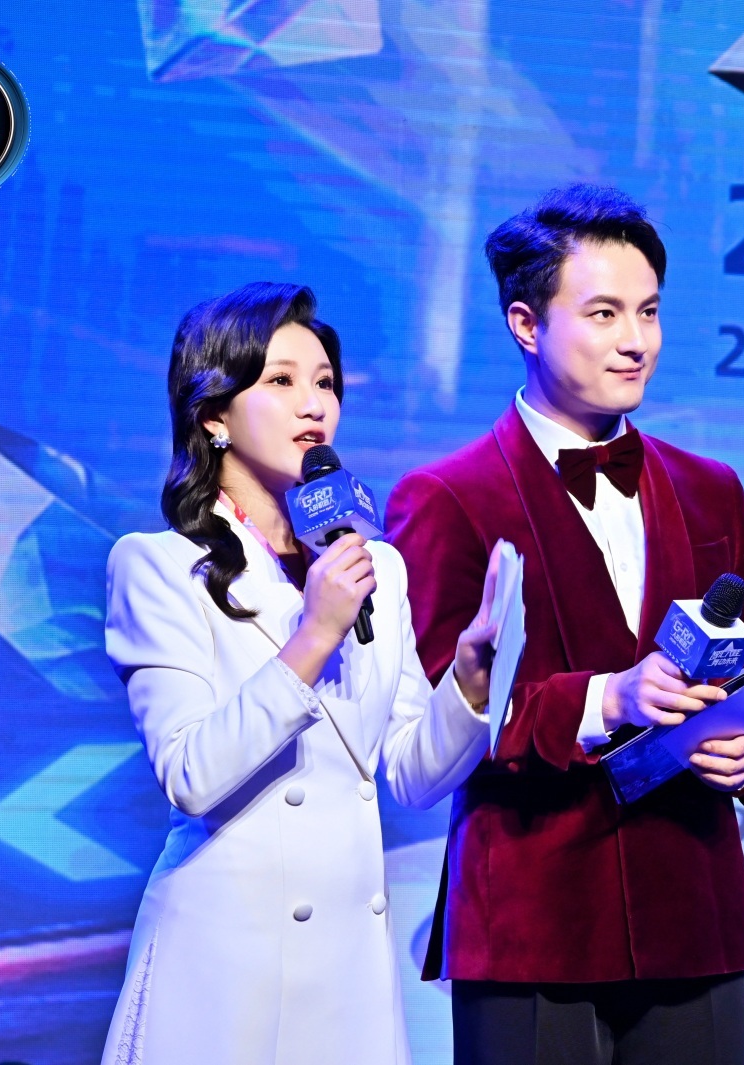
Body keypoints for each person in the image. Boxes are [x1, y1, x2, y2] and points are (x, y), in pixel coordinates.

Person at [386, 185, 744, 1065]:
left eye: (649, 311)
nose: (636, 339)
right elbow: (443, 724)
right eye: (605, 313)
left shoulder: (711, 489)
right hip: (532, 921)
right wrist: (608, 697)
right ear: (526, 325)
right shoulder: (447, 497)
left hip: (694, 914)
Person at [100, 282, 499, 1065]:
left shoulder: (374, 563)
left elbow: (410, 772)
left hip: (349, 979)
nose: (313, 405)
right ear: (213, 415)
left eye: (324, 383)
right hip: (224, 973)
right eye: (280, 381)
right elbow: (189, 774)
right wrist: (314, 635)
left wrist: (471, 684)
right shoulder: (158, 565)